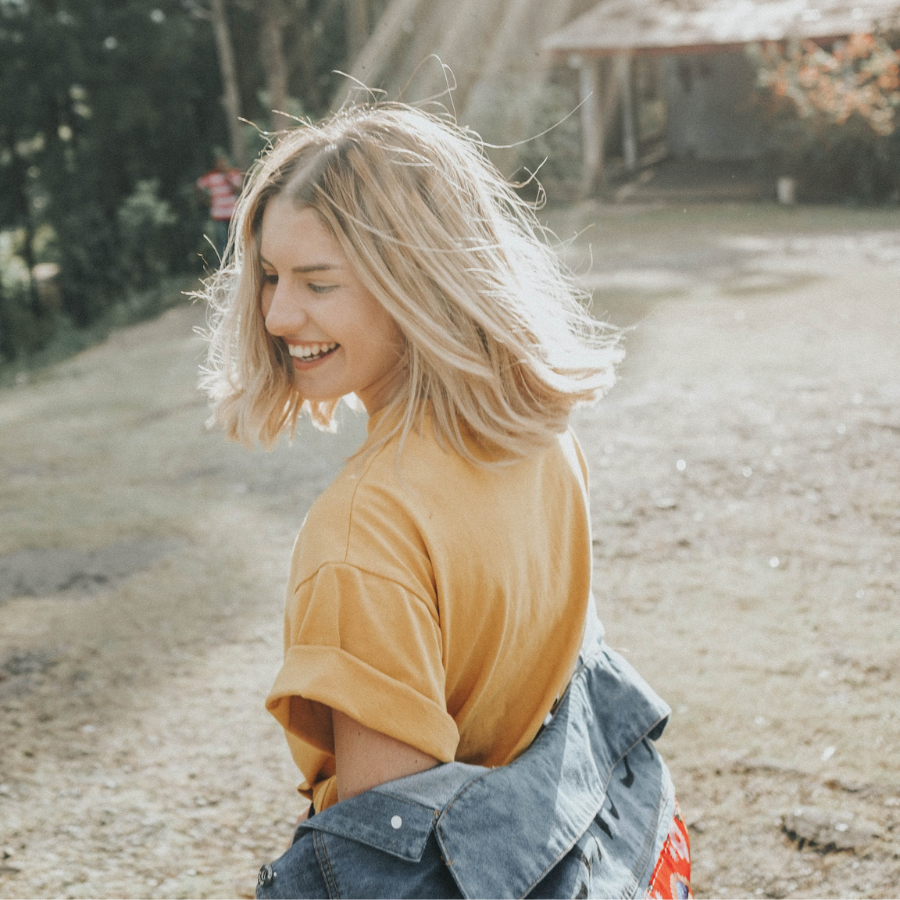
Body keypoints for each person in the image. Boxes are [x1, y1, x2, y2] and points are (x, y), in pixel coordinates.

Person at [200, 103, 692, 899]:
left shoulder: (366, 531)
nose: (278, 315)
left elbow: (390, 866)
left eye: (318, 283)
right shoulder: (539, 435)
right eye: (269, 275)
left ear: (414, 282)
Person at [195, 151, 243, 260]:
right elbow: (198, 186)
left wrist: (227, 176)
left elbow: (238, 189)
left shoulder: (234, 174)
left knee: (236, 241)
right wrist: (205, 200)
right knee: (222, 243)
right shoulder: (211, 176)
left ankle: (237, 263)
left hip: (233, 214)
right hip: (218, 215)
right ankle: (224, 266)